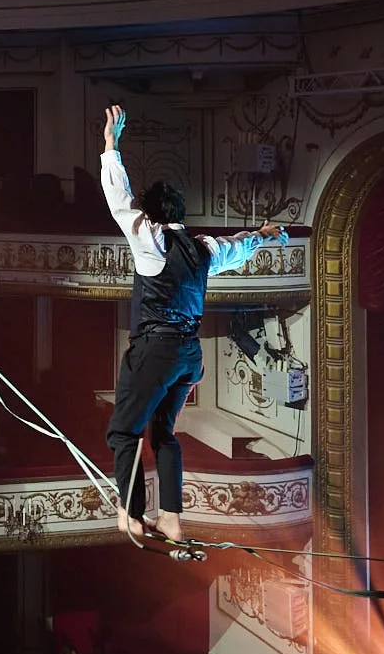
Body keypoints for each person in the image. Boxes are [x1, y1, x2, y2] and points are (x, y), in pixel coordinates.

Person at [100, 104, 283, 548]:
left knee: (124, 432)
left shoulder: (153, 239)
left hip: (157, 352)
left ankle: (130, 513)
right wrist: (262, 233)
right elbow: (236, 248)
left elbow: (119, 201)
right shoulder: (202, 248)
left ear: (154, 214)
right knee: (164, 433)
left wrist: (111, 146)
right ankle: (172, 520)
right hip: (188, 357)